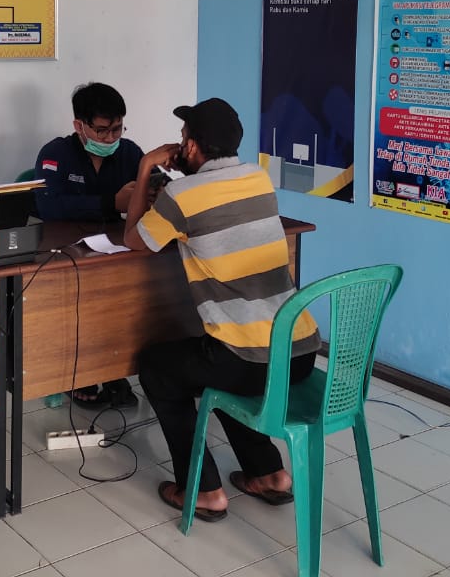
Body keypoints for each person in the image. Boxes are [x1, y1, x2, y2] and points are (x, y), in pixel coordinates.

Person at [125, 98, 319, 521]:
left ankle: (203, 490)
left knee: (158, 368)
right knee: (221, 367)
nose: (179, 146)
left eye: (182, 139)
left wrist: (145, 168)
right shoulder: (258, 178)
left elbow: (135, 240)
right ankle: (269, 474)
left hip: (250, 359)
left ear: (192, 148)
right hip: (299, 352)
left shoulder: (181, 194)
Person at [35, 82, 144, 409]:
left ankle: (113, 369)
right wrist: (112, 202)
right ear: (79, 126)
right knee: (77, 301)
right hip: (63, 253)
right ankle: (76, 371)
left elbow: (152, 193)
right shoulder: (55, 154)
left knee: (131, 297)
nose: (110, 138)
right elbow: (48, 206)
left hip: (114, 251)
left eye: (117, 129)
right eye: (101, 131)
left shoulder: (131, 153)